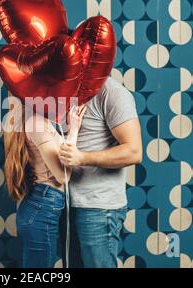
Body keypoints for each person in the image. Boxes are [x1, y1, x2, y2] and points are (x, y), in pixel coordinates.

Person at [59, 76, 143, 268]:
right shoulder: (64, 90)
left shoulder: (112, 93)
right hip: (67, 205)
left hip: (98, 207)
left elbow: (134, 151)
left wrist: (82, 158)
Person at [4, 102, 86, 268]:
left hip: (38, 204)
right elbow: (63, 175)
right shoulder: (37, 122)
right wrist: (74, 131)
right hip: (42, 205)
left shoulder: (33, 120)